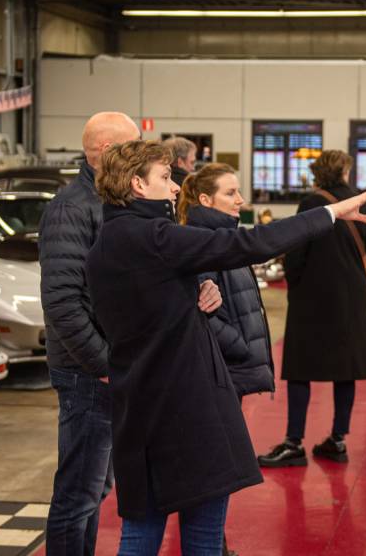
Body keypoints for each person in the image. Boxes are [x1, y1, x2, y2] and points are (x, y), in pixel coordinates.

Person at [85, 141, 366, 556]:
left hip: (137, 409)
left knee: (140, 534)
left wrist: (191, 290)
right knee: (204, 536)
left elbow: (138, 311)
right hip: (189, 408)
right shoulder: (156, 237)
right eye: (165, 177)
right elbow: (250, 244)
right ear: (137, 184)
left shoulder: (104, 246)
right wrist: (330, 212)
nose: (175, 187)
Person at [39, 113, 221, 556]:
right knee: (79, 493)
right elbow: (62, 302)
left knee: (97, 488)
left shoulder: (115, 205)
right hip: (90, 374)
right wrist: (106, 365)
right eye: (132, 144)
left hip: (122, 367)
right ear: (106, 152)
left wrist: (200, 284)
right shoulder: (71, 209)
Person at [257, 149, 366, 468]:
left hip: (311, 298)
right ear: (344, 171)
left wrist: (297, 285)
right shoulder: (362, 201)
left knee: (300, 368)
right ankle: (337, 440)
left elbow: (295, 252)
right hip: (352, 299)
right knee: (347, 369)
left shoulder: (311, 204)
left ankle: (293, 442)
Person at [177, 163, 273, 556]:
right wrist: (241, 346)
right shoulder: (202, 242)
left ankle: (215, 543)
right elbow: (200, 312)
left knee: (218, 468)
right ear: (205, 199)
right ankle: (211, 545)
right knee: (213, 469)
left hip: (229, 368)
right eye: (230, 193)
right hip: (219, 369)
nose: (241, 200)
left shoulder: (224, 237)